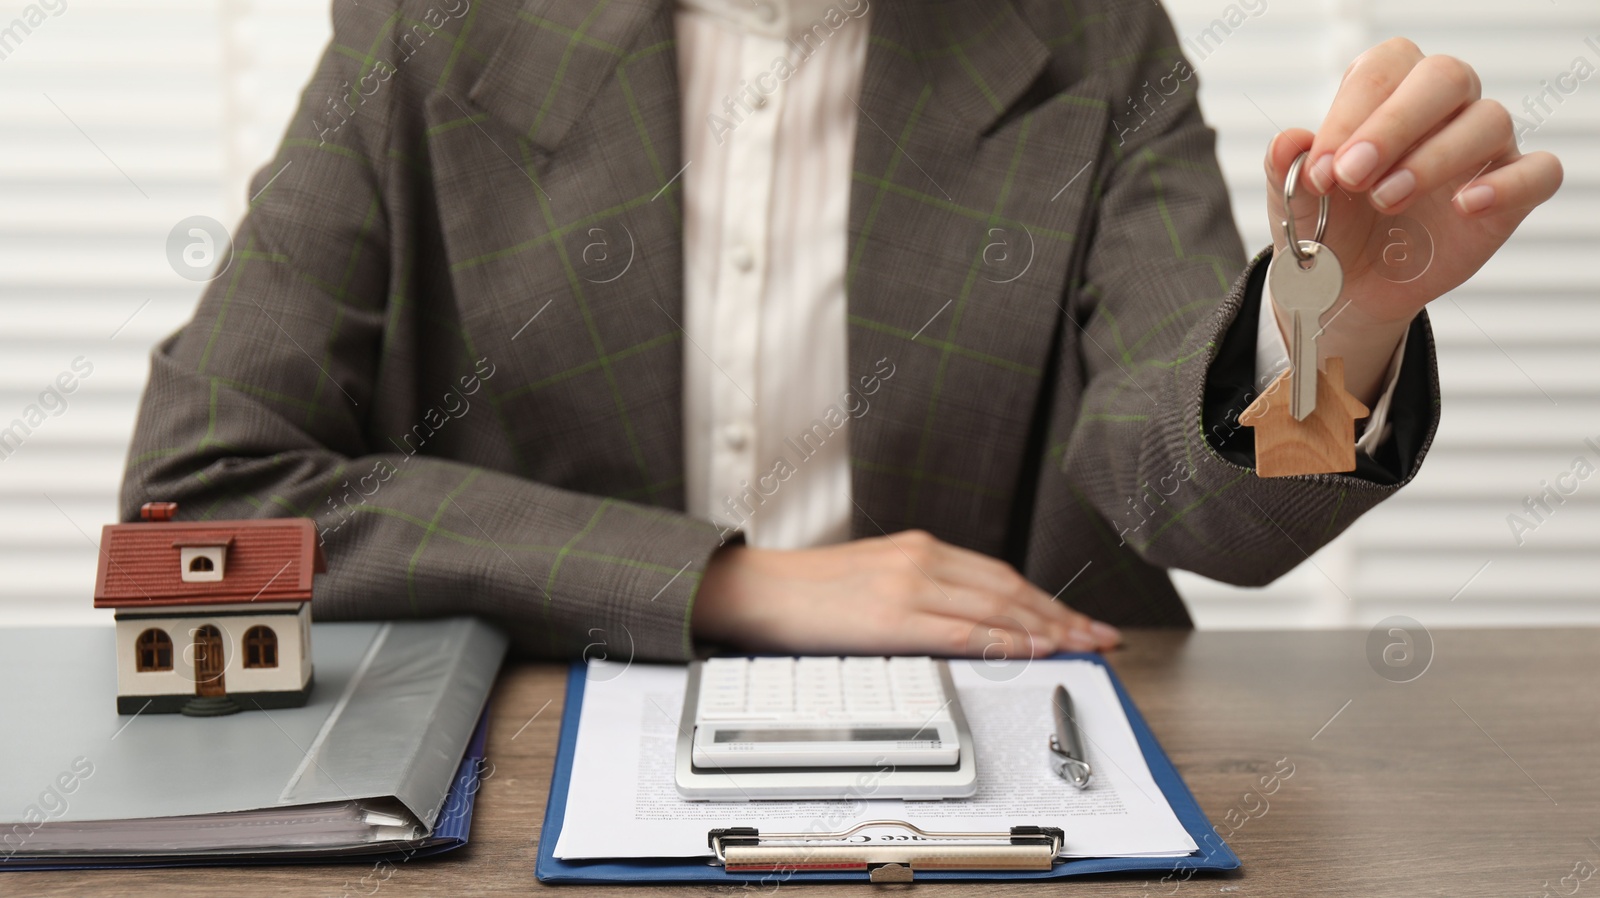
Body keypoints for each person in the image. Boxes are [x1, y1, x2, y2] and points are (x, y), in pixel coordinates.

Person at [121, 0, 1560, 661]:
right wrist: (733, 586)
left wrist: (1341, 309)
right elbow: (206, 502)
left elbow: (1192, 504)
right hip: (521, 786)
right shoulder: (425, 32)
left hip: (1008, 796)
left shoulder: (1088, 38)